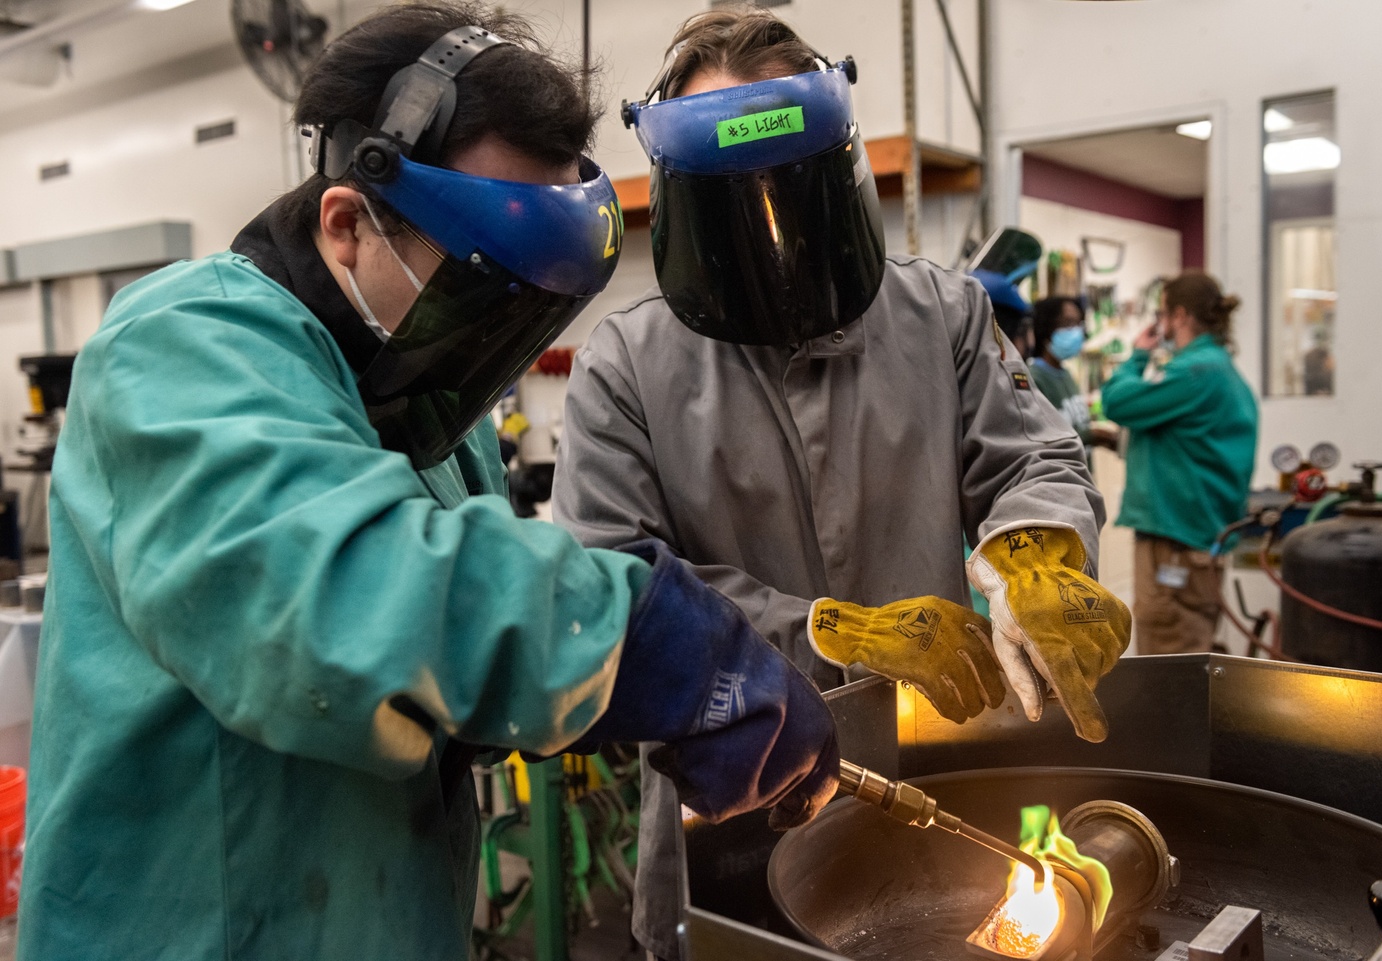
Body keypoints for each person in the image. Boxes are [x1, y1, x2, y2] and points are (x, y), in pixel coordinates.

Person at [18, 5, 841, 959]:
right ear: (346, 224)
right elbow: (340, 604)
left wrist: (583, 706)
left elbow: (449, 681)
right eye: (475, 291)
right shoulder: (180, 343)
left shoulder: (438, 425)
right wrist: (637, 638)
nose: (492, 344)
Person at [551, 9, 1131, 960]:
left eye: (791, 189)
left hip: (939, 765)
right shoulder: (628, 360)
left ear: (840, 170)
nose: (768, 230)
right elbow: (608, 580)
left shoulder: (940, 310)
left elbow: (1037, 455)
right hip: (736, 783)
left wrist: (1038, 548)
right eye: (734, 199)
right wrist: (825, 628)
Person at [1100, 271, 1258, 655]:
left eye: (1163, 313)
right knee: (1190, 650)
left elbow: (1119, 403)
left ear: (1180, 316)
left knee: (1169, 660)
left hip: (1176, 543)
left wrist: (1138, 355)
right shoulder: (1219, 368)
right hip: (1199, 540)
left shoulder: (1194, 371)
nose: (1160, 322)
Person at [1030, 296, 1117, 463]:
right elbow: (1046, 440)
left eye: (1079, 324)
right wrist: (1094, 435)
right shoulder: (1035, 379)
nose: (1077, 332)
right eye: (1068, 323)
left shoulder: (1066, 374)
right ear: (1047, 326)